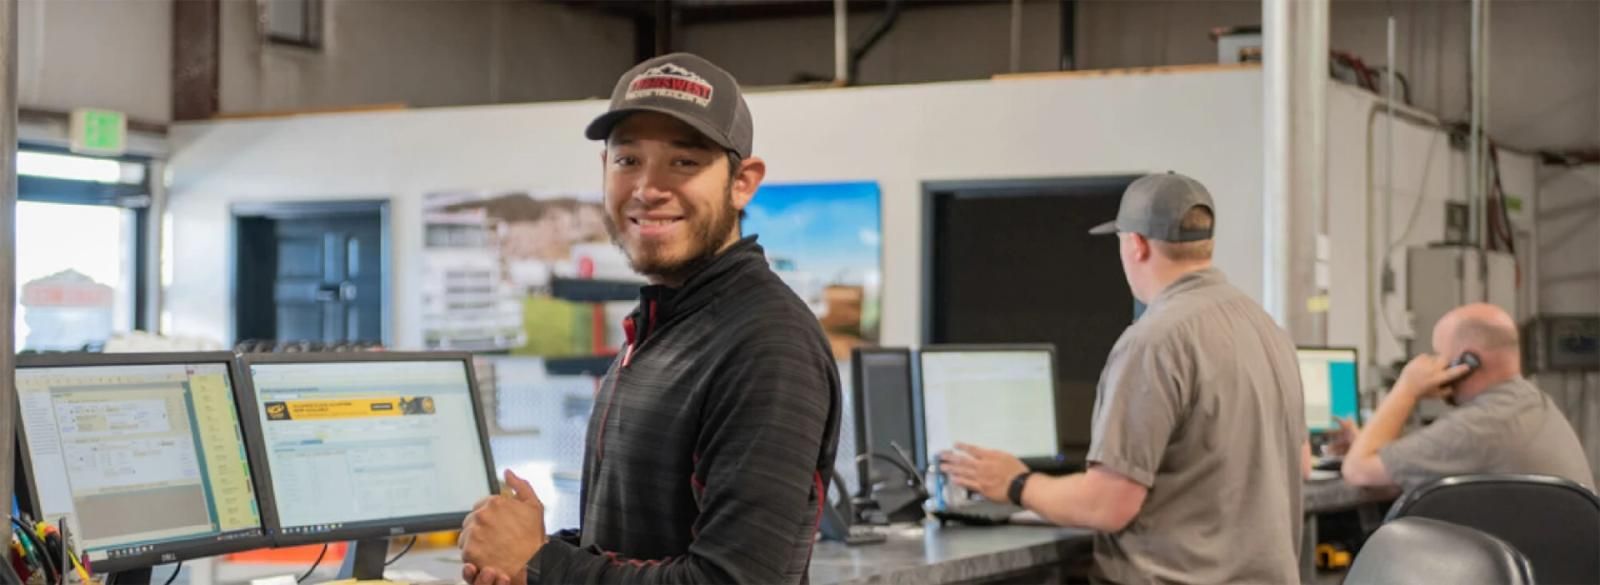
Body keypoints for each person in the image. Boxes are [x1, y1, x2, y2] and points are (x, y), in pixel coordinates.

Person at [458, 52, 841, 585]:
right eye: (628, 160)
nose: (647, 188)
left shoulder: (767, 344)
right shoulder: (665, 326)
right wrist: (532, 554)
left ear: (743, 182)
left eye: (684, 162)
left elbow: (732, 581)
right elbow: (637, 547)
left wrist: (542, 562)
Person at [940, 172, 1306, 584]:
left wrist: (1016, 482)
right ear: (1207, 245)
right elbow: (1303, 463)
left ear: (1136, 245)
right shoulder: (1267, 329)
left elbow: (1108, 505)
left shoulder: (1155, 340)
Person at [1338, 303, 1594, 490]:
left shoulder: (1478, 426)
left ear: (1466, 361)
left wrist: (1407, 388)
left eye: (1439, 355)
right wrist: (1367, 441)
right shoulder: (1534, 404)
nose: (1435, 364)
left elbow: (1357, 470)